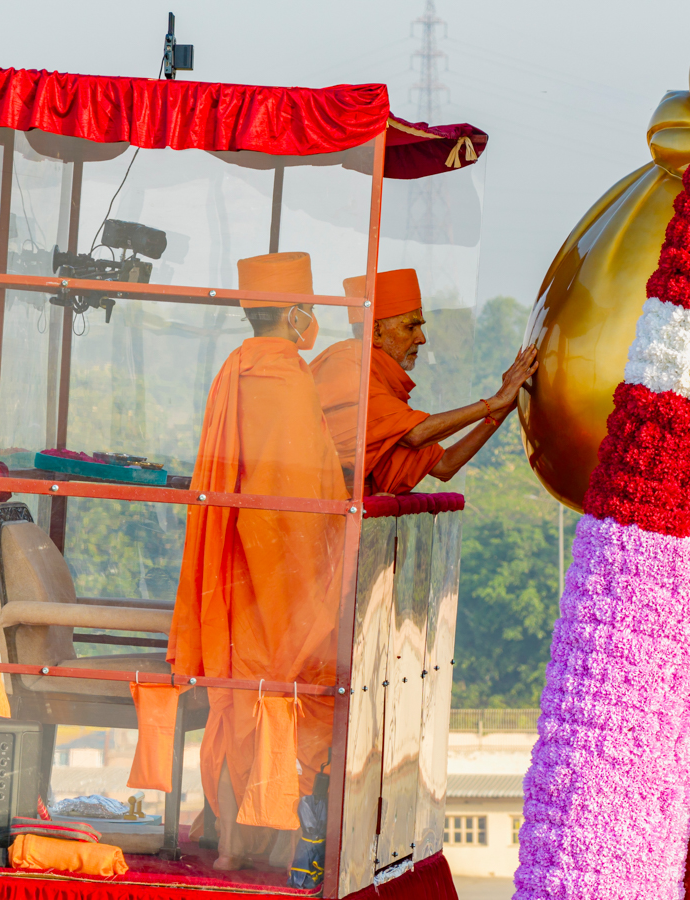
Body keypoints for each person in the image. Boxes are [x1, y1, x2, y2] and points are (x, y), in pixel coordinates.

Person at [166, 251, 348, 871]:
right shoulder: (288, 378)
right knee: (289, 685)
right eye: (310, 309)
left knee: (236, 694)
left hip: (235, 562)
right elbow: (299, 491)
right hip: (280, 568)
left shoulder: (234, 369)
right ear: (295, 313)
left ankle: (231, 838)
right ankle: (266, 840)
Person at [310, 268, 538, 495]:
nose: (421, 338)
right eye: (410, 327)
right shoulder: (345, 364)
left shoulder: (380, 378)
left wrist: (502, 408)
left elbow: (445, 465)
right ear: (377, 331)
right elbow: (415, 434)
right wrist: (495, 401)